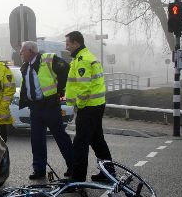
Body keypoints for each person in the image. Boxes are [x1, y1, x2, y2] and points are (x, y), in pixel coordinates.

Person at [18, 41, 73, 180]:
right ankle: (39, 170)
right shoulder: (25, 66)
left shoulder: (48, 59)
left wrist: (60, 91)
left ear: (31, 51)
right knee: (36, 139)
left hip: (50, 106)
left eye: (22, 51)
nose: (20, 53)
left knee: (60, 137)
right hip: (35, 107)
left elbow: (66, 69)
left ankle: (73, 167)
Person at [64, 31, 113, 182]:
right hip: (96, 105)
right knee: (97, 140)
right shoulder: (85, 57)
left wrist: (80, 105)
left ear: (76, 43)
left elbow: (84, 89)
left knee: (80, 143)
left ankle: (77, 179)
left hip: (88, 107)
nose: (67, 47)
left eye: (68, 44)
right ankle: (108, 173)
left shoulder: (83, 60)